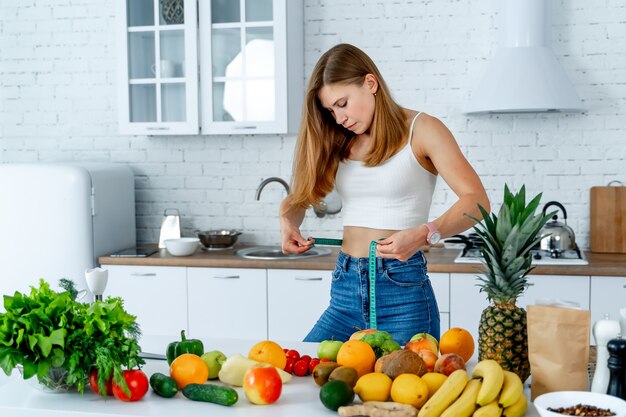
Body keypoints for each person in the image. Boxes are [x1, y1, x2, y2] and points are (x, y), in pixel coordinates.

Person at [279, 43, 490, 344]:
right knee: (305, 373)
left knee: (400, 390)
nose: (339, 119)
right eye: (330, 110)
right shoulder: (339, 141)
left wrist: (425, 233)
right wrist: (288, 222)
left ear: (370, 83)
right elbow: (299, 198)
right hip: (345, 288)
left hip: (401, 290)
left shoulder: (423, 129)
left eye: (342, 104)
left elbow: (477, 201)